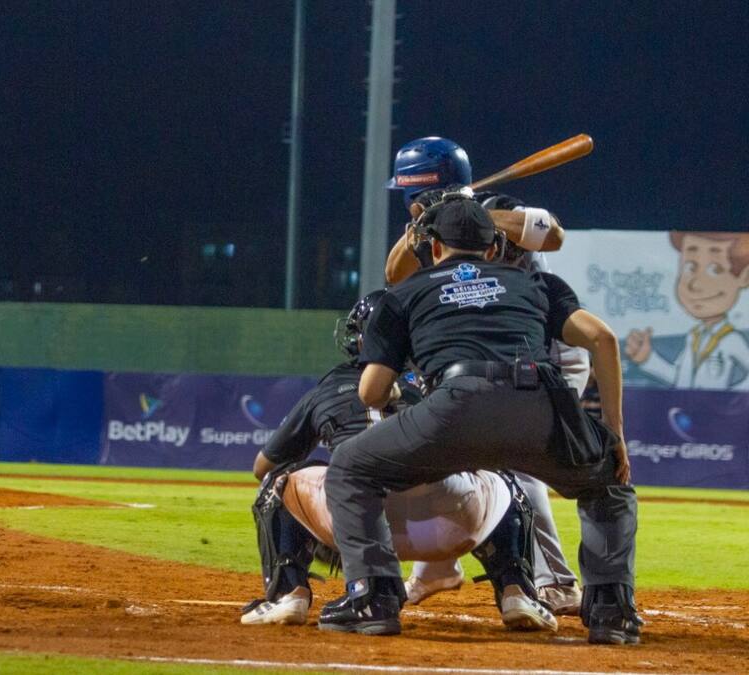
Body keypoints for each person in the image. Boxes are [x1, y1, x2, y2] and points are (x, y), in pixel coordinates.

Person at [320, 196, 640, 644]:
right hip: (538, 405)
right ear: (493, 248)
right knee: (608, 481)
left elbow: (371, 392)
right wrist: (614, 433)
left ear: (434, 248)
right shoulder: (537, 283)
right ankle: (612, 611)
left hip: (454, 410)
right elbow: (603, 340)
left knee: (350, 467)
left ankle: (373, 598)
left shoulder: (403, 295)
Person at [242, 293, 556, 632]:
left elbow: (262, 467)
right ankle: (516, 592)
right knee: (505, 478)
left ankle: (289, 594)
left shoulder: (328, 387)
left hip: (355, 523)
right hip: (445, 526)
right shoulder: (439, 377)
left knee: (279, 481)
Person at [383, 137, 584, 615]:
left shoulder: (500, 207)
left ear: (418, 187)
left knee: (513, 458)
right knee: (451, 449)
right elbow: (395, 273)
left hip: (548, 350)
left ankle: (557, 582)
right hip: (490, 357)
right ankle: (435, 568)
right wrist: (436, 219)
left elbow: (554, 235)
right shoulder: (428, 227)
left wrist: (474, 213)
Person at [624, 231, 749, 390]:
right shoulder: (693, 337)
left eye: (715, 270)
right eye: (690, 267)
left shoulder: (732, 340)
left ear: (744, 277)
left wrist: (731, 398)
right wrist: (648, 359)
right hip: (686, 404)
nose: (695, 284)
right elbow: (681, 379)